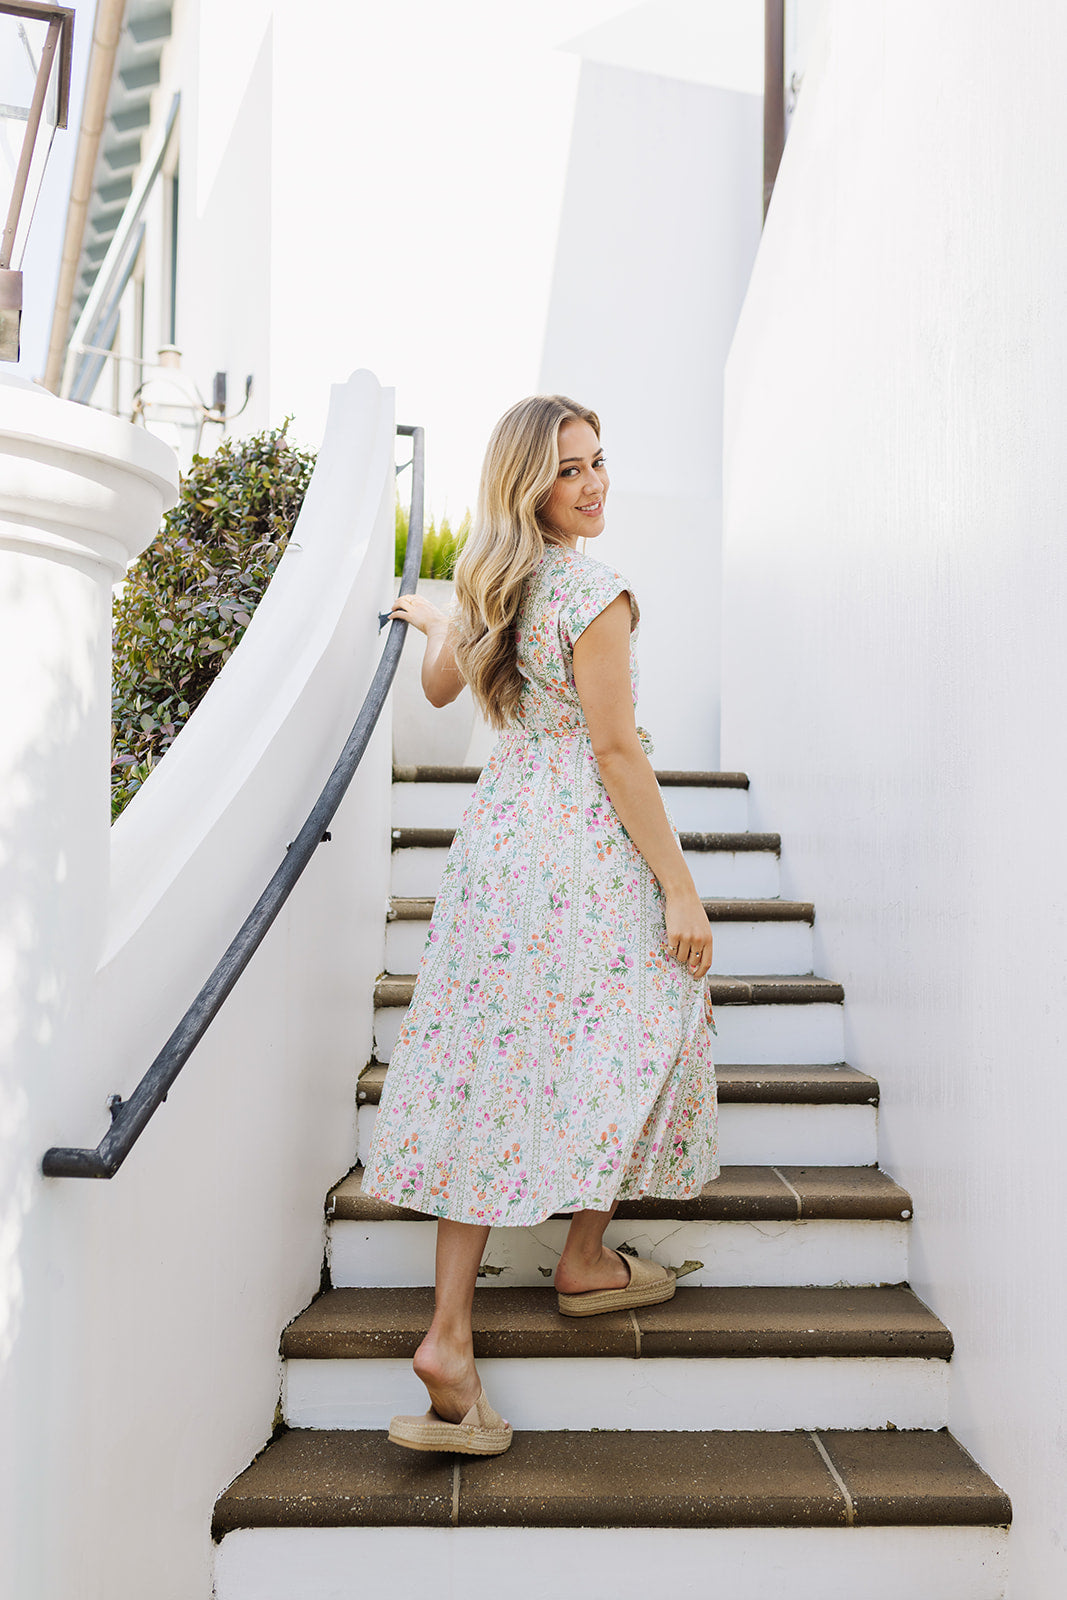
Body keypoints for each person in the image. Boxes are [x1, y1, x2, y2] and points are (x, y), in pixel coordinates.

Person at [363, 394, 719, 1456]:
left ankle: (449, 1336)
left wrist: (439, 618)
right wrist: (679, 888)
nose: (593, 482)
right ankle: (584, 1255)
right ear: (529, 485)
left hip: (498, 850)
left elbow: (439, 688)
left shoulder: (493, 582)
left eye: (597, 460)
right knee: (663, 1015)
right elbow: (615, 752)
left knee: (491, 1065)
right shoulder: (596, 594)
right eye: (569, 469)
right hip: (579, 850)